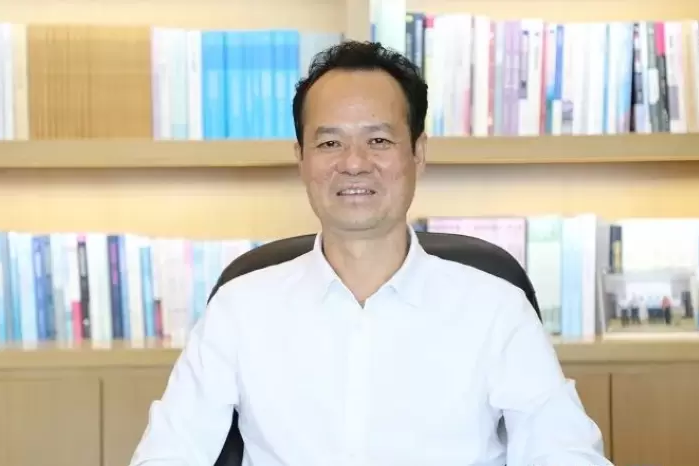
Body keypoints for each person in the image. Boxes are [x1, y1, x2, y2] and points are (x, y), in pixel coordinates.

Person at [130, 41, 612, 466]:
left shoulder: (497, 310)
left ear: (418, 153)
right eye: (329, 142)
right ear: (301, 158)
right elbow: (170, 451)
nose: (354, 163)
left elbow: (562, 450)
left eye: (378, 140)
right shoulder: (239, 310)